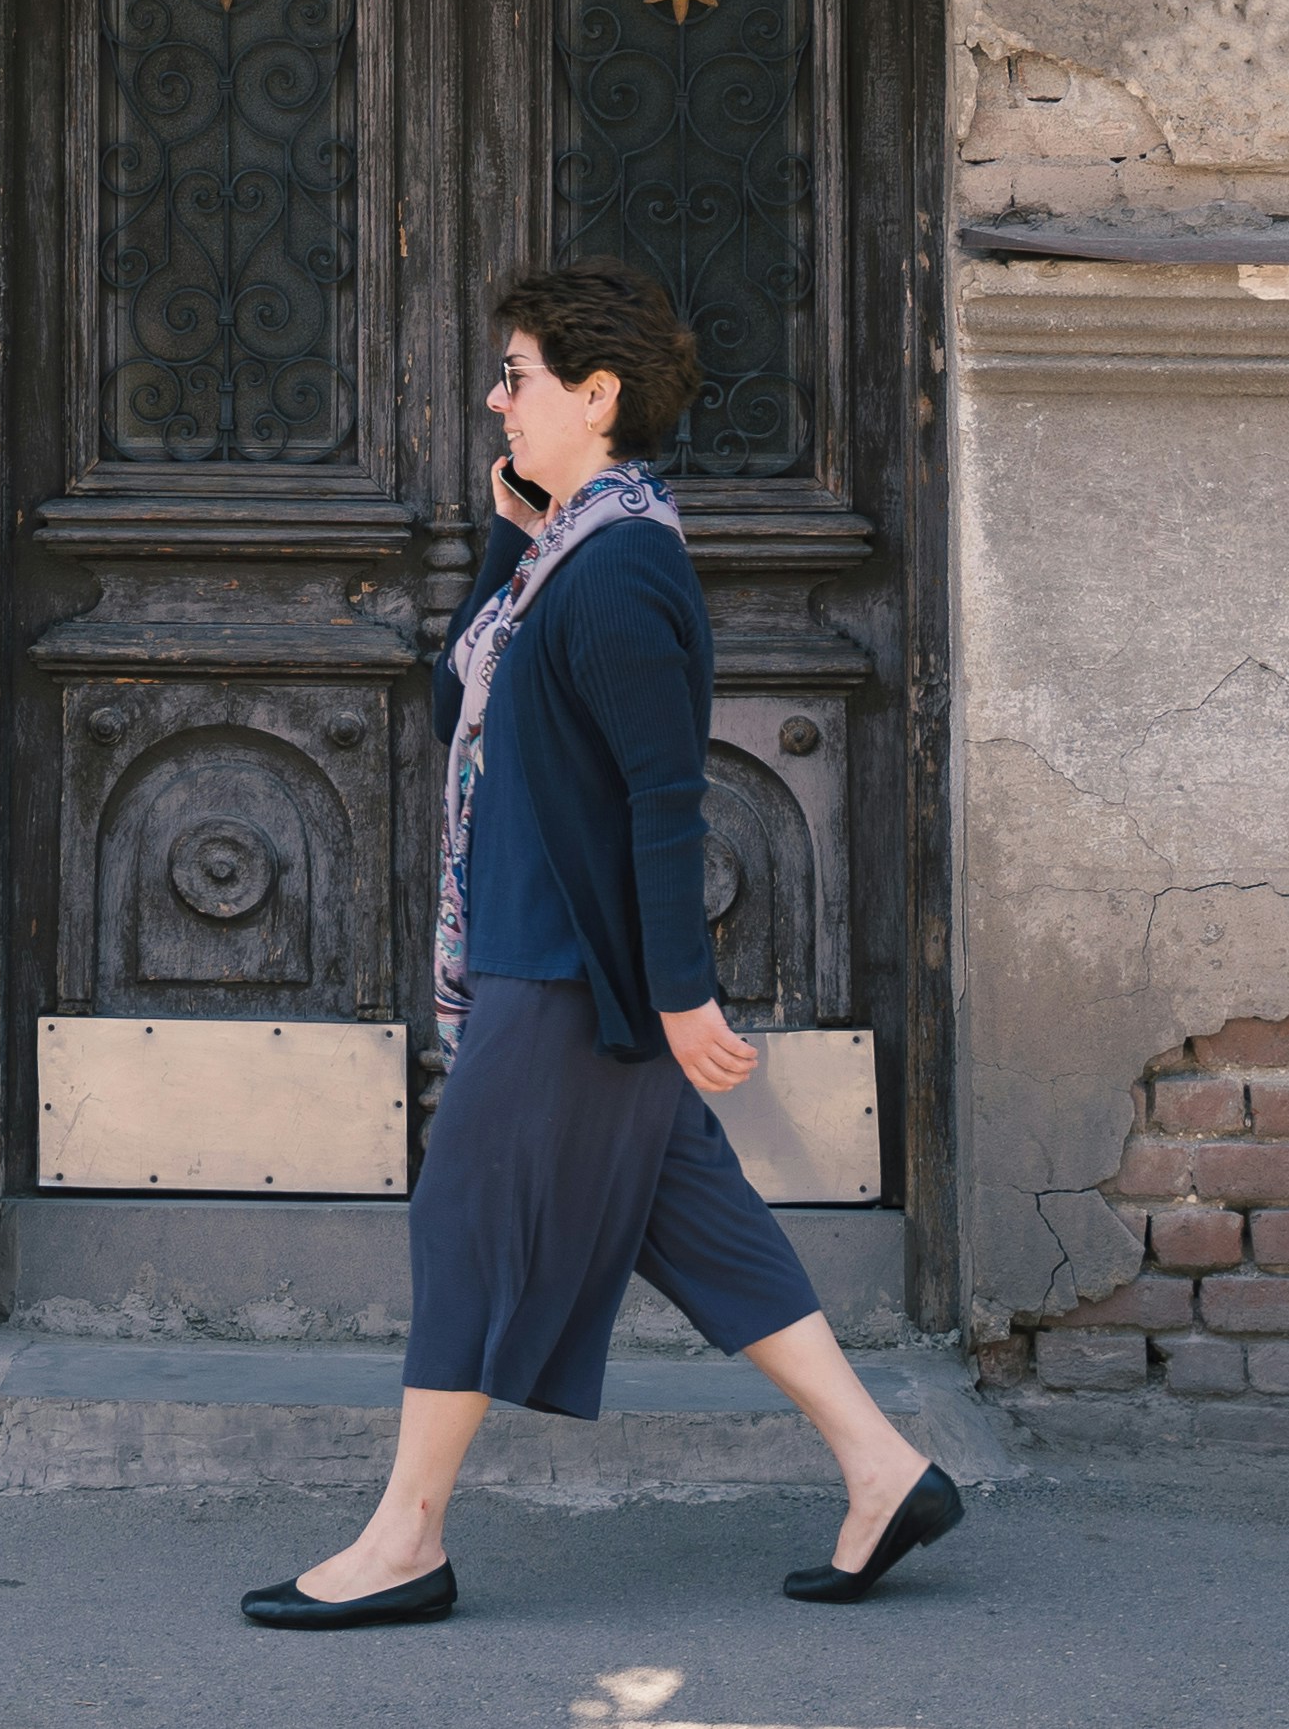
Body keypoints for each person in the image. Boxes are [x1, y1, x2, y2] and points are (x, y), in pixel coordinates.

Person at [242, 256, 962, 1629]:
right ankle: (885, 1466)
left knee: (463, 1218)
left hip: (569, 970)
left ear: (598, 392)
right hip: (549, 948)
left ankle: (405, 1538)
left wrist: (681, 995)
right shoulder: (569, 551)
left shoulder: (627, 565)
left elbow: (664, 797)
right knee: (699, 1227)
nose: (495, 397)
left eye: (516, 374)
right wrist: (512, 536)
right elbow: (471, 673)